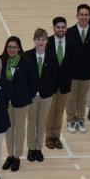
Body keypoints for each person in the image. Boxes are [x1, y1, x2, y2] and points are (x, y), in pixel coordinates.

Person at [0, 36, 37, 172]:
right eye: (9, 47)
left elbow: (33, 82)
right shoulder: (1, 61)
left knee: (20, 129)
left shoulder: (26, 61)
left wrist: (28, 96)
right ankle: (10, 155)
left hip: (21, 102)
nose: (11, 50)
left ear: (19, 48)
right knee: (8, 129)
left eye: (14, 47)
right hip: (6, 102)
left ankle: (17, 157)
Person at [66, 4, 90, 134]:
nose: (84, 17)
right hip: (72, 73)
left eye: (86, 15)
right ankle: (70, 120)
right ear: (77, 16)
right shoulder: (69, 32)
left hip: (87, 72)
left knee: (82, 98)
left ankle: (80, 119)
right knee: (71, 98)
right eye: (81, 14)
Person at [45, 17, 78, 150]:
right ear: (54, 28)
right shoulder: (48, 42)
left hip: (64, 85)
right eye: (58, 27)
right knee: (50, 112)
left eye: (63, 27)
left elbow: (73, 63)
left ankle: (56, 136)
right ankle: (48, 136)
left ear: (66, 28)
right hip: (50, 85)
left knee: (59, 112)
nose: (61, 29)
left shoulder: (72, 43)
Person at [25, 29, 58, 163]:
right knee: (32, 123)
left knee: (41, 122)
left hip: (46, 95)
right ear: (34, 40)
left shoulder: (51, 56)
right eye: (38, 39)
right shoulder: (27, 55)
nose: (40, 42)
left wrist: (49, 89)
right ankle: (31, 148)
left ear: (46, 41)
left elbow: (54, 75)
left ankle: (38, 148)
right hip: (32, 96)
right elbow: (25, 77)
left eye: (43, 39)